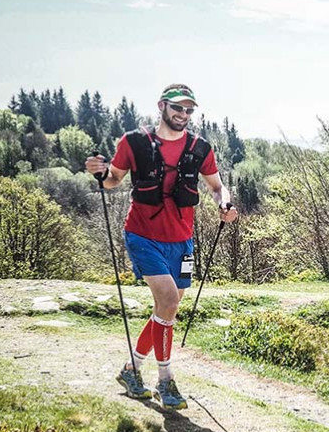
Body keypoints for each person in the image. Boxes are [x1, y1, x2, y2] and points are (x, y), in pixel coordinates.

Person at [86, 83, 238, 410]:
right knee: (168, 300)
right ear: (162, 106)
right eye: (177, 108)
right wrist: (99, 173)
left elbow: (216, 187)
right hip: (142, 235)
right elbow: (113, 179)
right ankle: (165, 381)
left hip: (182, 240)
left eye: (188, 110)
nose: (183, 114)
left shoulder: (200, 148)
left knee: (165, 309)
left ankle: (131, 370)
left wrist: (225, 204)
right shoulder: (134, 142)